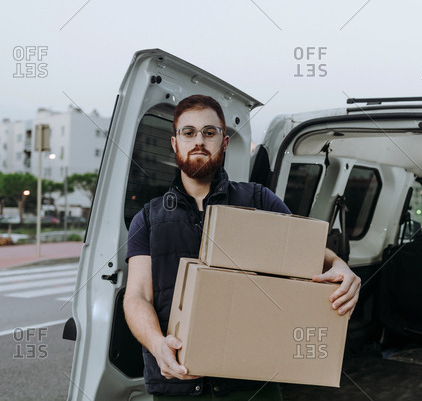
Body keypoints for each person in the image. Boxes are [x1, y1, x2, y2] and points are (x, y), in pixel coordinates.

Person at [124, 94, 361, 400]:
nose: (199, 141)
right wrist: (158, 345)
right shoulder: (149, 218)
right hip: (176, 383)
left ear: (223, 143)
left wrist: (339, 266)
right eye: (189, 132)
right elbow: (138, 296)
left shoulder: (258, 201)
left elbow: (306, 252)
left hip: (251, 383)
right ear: (175, 143)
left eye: (210, 133)